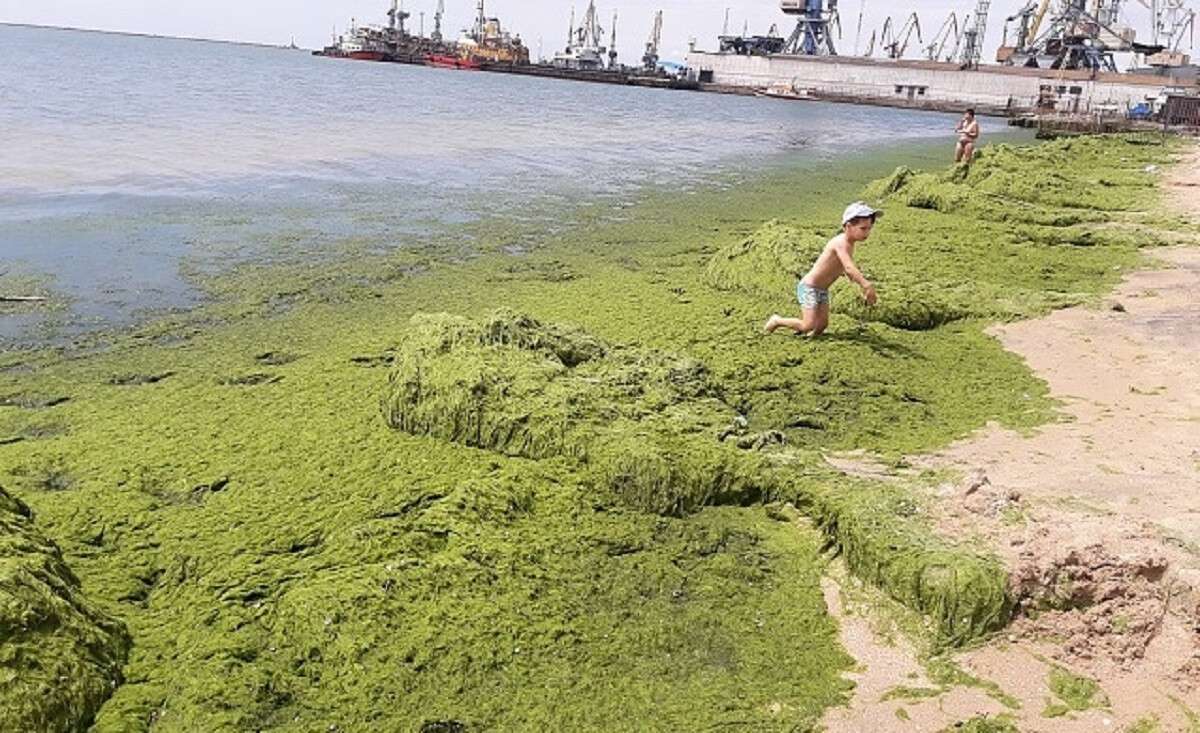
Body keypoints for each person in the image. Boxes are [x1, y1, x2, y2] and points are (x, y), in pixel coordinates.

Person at [763, 201, 880, 338]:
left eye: (869, 228)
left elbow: (842, 266)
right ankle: (777, 320)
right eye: (863, 228)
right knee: (808, 325)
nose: (867, 233)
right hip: (809, 287)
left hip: (822, 289)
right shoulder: (840, 243)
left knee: (822, 325)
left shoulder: (849, 244)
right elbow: (849, 266)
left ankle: (808, 339)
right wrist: (866, 285)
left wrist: (849, 276)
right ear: (848, 226)